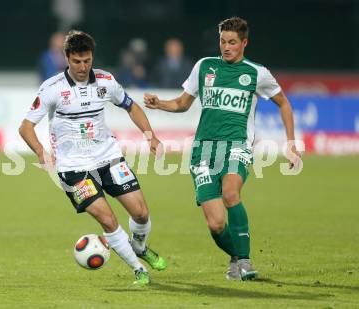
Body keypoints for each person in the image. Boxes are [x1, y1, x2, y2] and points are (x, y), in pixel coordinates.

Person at [144, 17, 300, 281]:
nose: (226, 47)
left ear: (244, 43)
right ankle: (236, 258)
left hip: (237, 145)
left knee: (230, 193)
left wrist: (291, 144)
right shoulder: (205, 67)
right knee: (216, 224)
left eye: (232, 42)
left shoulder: (256, 73)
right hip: (203, 151)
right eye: (222, 41)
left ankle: (246, 262)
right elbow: (183, 103)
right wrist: (159, 104)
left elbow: (283, 103)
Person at [20, 30, 166, 286]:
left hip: (108, 158)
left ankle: (140, 247)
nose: (82, 66)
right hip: (73, 168)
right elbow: (26, 127)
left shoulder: (106, 81)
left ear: (92, 57)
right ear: (67, 58)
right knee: (108, 219)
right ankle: (137, 267)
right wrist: (41, 152)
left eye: (86, 60)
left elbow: (131, 105)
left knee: (141, 213)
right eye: (76, 61)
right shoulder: (52, 89)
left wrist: (149, 135)